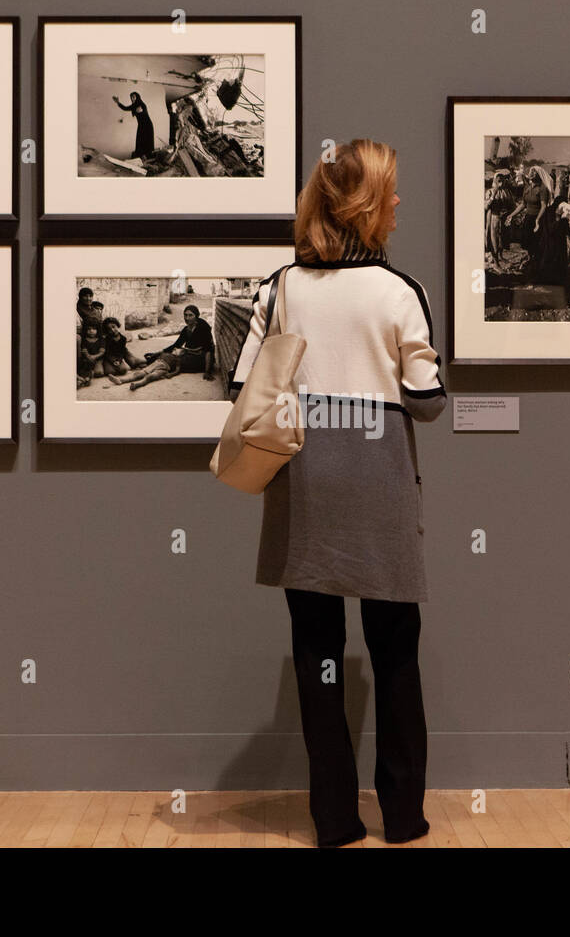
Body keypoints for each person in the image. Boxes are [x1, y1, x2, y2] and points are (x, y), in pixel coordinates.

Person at [229, 138, 446, 848]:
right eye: (392, 191)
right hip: (379, 486)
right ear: (366, 206)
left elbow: (244, 389)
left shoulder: (280, 286)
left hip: (305, 485)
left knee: (318, 651)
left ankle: (333, 820)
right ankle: (405, 819)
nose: (399, 203)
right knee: (396, 654)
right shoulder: (400, 291)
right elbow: (429, 401)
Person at [159, 305, 215, 381]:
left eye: (190, 315)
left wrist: (207, 371)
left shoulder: (203, 327)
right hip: (190, 355)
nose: (187, 318)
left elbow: (209, 350)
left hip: (202, 359)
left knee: (172, 359)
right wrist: (162, 351)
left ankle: (174, 370)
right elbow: (177, 344)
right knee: (165, 355)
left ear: (196, 316)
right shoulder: (187, 329)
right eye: (185, 315)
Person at [113, 92, 155, 160]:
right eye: (131, 97)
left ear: (137, 97)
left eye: (133, 97)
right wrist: (118, 102)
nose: (132, 98)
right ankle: (142, 157)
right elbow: (125, 108)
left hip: (147, 126)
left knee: (147, 141)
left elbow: (144, 110)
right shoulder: (133, 106)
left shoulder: (142, 104)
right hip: (141, 126)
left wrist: (141, 110)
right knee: (140, 141)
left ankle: (148, 157)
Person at [485, 170, 514, 261]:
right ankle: (495, 261)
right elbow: (486, 206)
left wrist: (511, 213)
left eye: (501, 179)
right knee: (494, 239)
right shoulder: (490, 191)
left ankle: (500, 256)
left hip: (504, 218)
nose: (500, 181)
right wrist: (494, 193)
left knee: (503, 239)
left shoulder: (506, 191)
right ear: (494, 180)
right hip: (494, 218)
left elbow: (512, 204)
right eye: (498, 179)